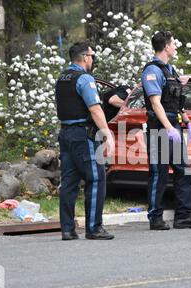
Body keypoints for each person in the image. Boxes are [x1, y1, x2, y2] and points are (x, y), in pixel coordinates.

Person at [141, 31, 191, 230]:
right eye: (174, 44)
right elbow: (155, 103)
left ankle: (184, 216)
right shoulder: (152, 71)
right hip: (161, 128)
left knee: (183, 170)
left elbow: (175, 101)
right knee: (159, 174)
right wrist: (169, 128)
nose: (176, 47)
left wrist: (186, 121)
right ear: (166, 46)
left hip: (174, 126)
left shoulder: (170, 71)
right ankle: (155, 218)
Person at [55, 42, 115, 240]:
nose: (93, 59)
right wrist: (107, 133)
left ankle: (67, 229)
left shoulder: (62, 78)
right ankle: (94, 228)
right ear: (84, 57)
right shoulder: (85, 79)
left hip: (66, 134)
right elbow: (95, 109)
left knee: (69, 182)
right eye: (92, 55)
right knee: (96, 178)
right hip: (83, 135)